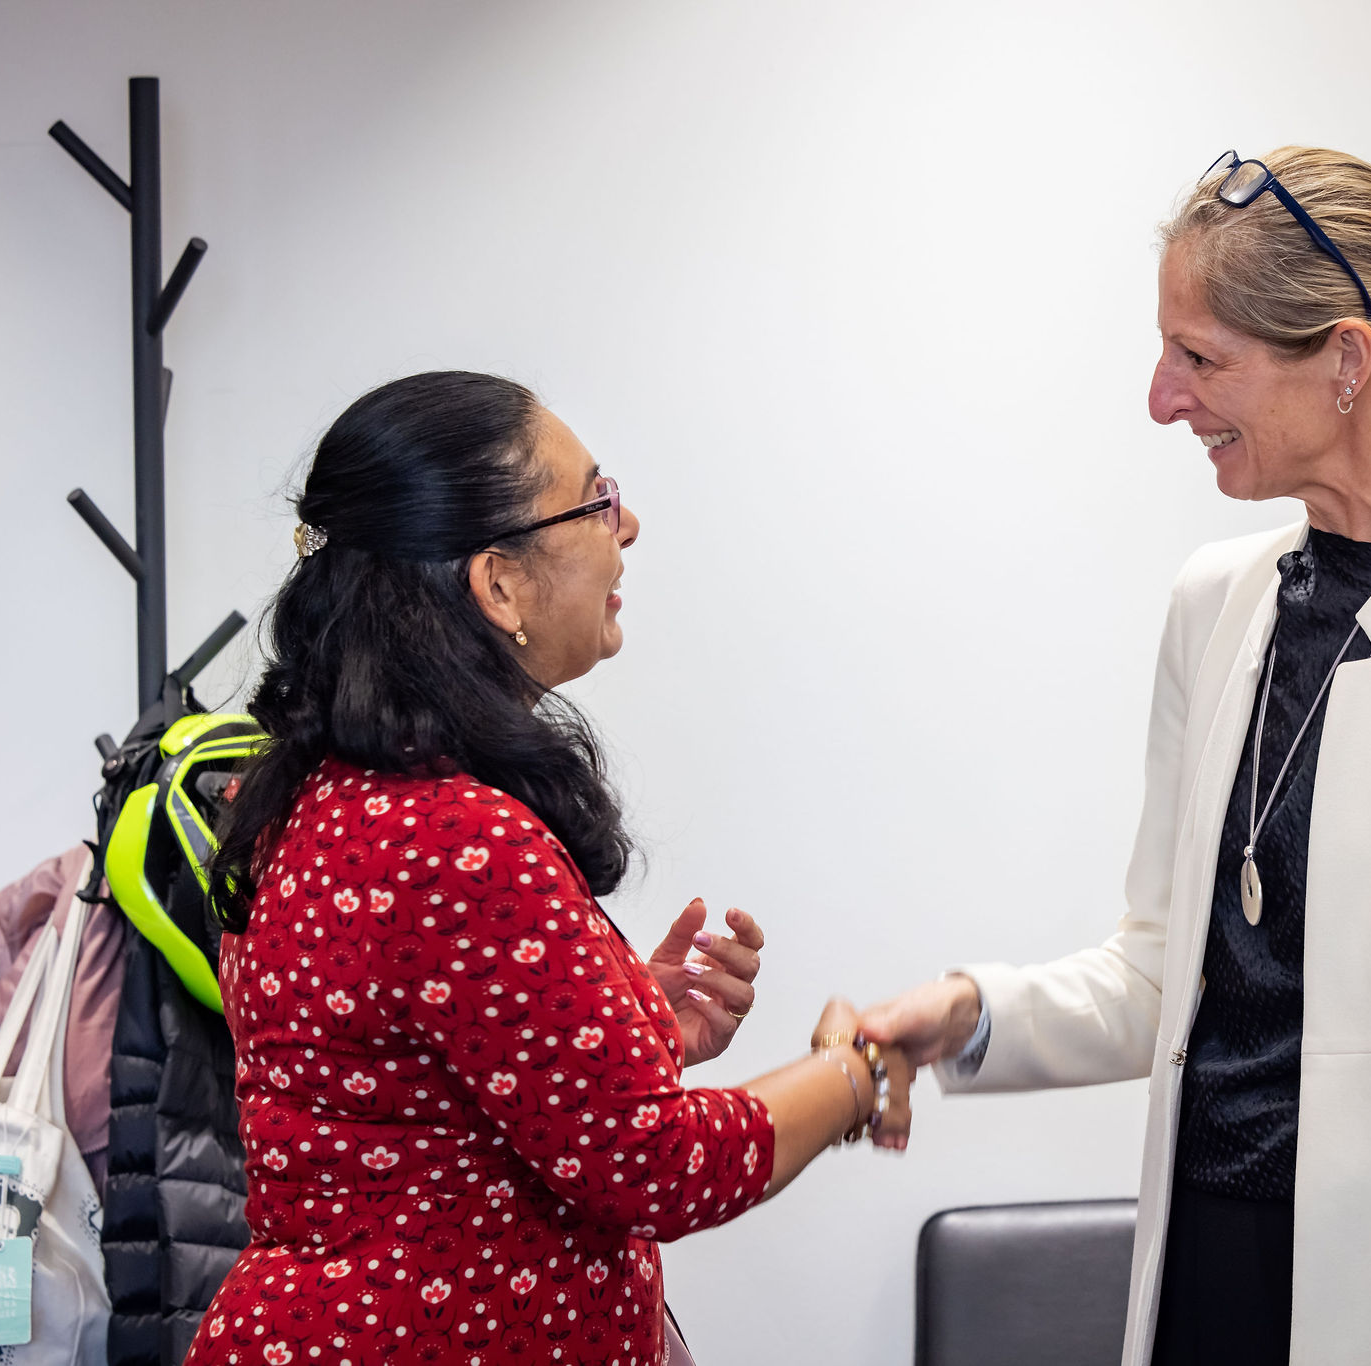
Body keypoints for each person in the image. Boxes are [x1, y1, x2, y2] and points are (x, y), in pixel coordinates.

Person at [861, 146, 1371, 1366]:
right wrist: (973, 1014)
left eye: (1199, 358)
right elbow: (1164, 972)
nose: (1161, 399)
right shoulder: (1216, 604)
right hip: (1204, 1267)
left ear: (1344, 361)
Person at [188, 372, 912, 1366]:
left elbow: (415, 1095)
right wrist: (856, 1072)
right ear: (498, 584)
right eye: (595, 498)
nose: (629, 527)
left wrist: (628, 1021)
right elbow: (657, 1168)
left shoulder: (318, 800)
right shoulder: (456, 838)